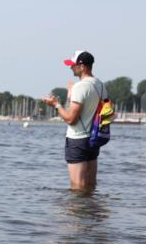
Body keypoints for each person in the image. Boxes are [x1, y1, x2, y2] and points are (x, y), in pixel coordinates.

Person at [42, 50, 108, 191]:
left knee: (77, 186)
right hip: (94, 139)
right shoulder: (101, 85)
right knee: (90, 184)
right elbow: (106, 113)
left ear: (82, 66)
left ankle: (77, 212)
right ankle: (91, 211)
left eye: (73, 65)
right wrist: (71, 95)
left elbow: (71, 119)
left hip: (78, 140)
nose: (70, 67)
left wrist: (56, 105)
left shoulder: (80, 87)